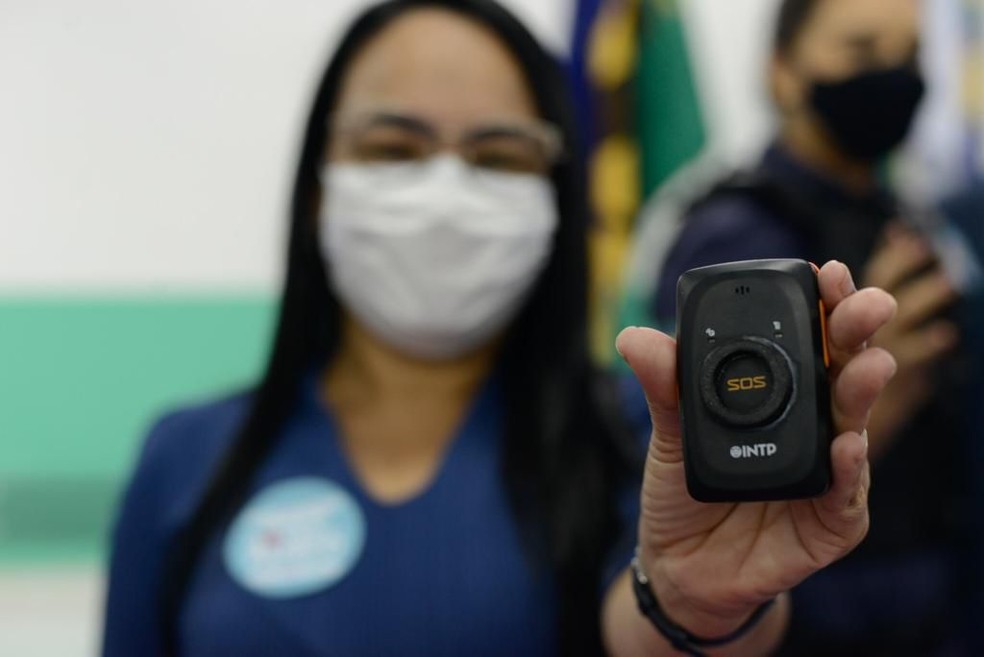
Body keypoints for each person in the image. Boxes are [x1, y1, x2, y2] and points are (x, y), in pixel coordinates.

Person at [101, 1, 896, 655]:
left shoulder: (642, 432)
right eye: (393, 147)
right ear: (317, 190)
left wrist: (698, 604)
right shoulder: (184, 458)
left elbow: (654, 612)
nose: (446, 187)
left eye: (498, 155)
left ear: (555, 200)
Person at [648, 0, 970, 654]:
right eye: (859, 51)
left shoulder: (909, 214)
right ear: (783, 72)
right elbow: (722, 465)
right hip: (810, 618)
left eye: (909, 56)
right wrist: (852, 410)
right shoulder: (734, 240)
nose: (893, 76)